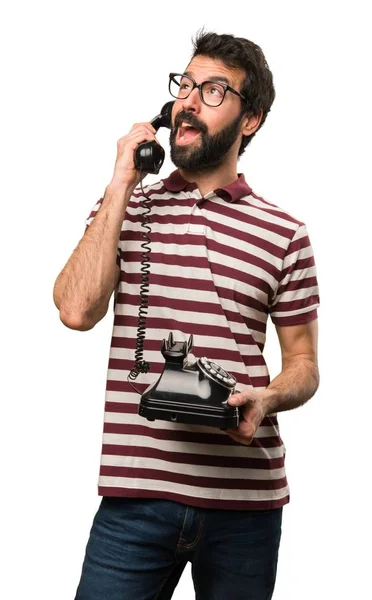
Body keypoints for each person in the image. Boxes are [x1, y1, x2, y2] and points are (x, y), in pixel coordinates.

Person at [53, 30, 320, 600]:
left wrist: (268, 397)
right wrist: (122, 180)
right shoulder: (127, 206)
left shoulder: (285, 233)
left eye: (215, 90)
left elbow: (304, 364)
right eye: (185, 85)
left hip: (246, 507)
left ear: (250, 120)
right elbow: (75, 309)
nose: (189, 101)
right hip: (136, 502)